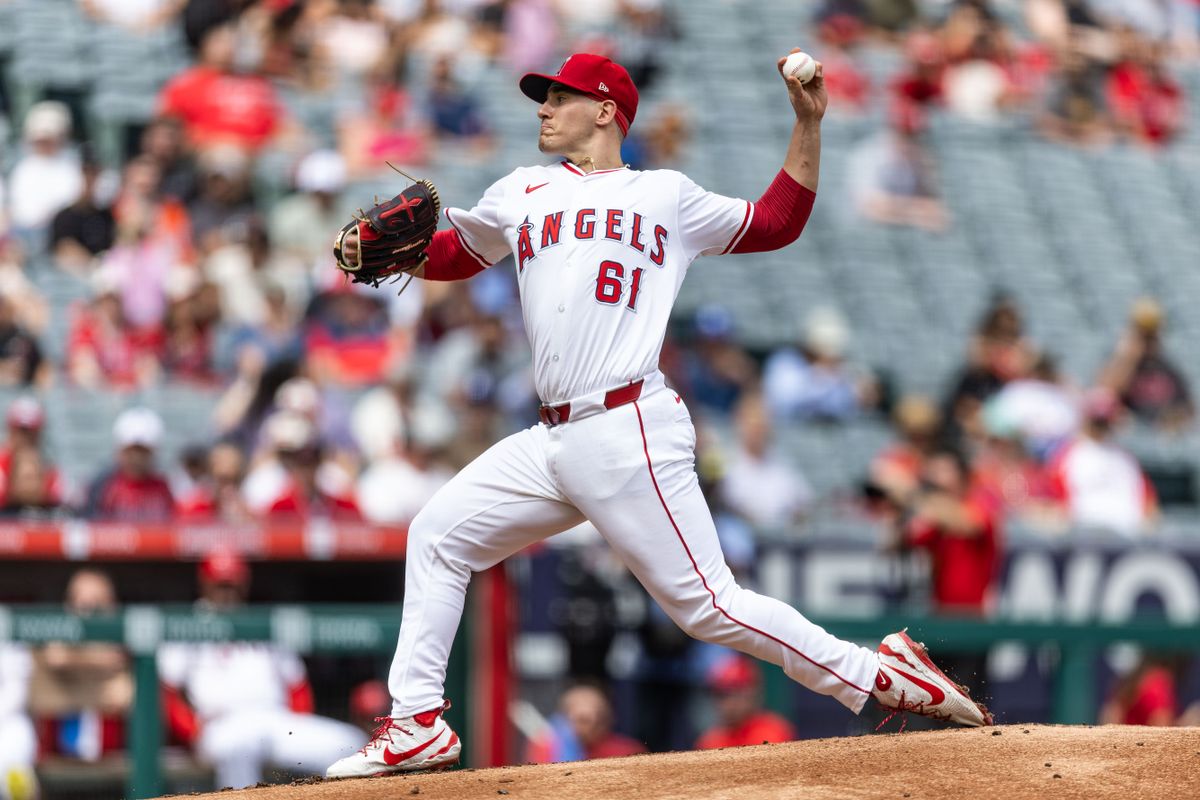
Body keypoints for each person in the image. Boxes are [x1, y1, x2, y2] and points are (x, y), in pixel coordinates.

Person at [326, 51, 991, 779]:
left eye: (561, 97)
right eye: (542, 98)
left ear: (607, 109)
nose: (544, 109)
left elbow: (775, 222)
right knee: (438, 536)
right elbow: (458, 251)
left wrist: (808, 124)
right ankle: (416, 723)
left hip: (626, 423)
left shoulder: (665, 195)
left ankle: (880, 676)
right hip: (551, 437)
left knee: (710, 608)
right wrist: (401, 257)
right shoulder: (520, 190)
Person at [158, 550, 364, 788]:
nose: (226, 591)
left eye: (232, 584)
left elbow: (297, 685)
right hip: (223, 726)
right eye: (220, 584)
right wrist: (192, 731)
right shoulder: (189, 625)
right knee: (239, 747)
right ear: (205, 583)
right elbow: (166, 691)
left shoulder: (260, 621)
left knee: (349, 742)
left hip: (275, 721)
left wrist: (296, 725)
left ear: (244, 583)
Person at [30, 569, 132, 760]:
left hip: (114, 768)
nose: (87, 610)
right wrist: (93, 663)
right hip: (56, 765)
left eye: (96, 603)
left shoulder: (129, 650)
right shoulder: (54, 646)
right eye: (80, 602)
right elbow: (55, 658)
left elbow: (122, 690)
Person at [83, 408, 175, 522]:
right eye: (131, 451)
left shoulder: (165, 487)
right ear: (120, 451)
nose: (136, 458)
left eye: (142, 451)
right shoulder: (103, 487)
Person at [524, 683, 646, 764]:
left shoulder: (628, 752)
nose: (591, 725)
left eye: (599, 718)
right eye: (582, 719)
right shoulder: (547, 747)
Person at [695, 654, 796, 750]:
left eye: (735, 693)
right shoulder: (710, 740)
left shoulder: (772, 731)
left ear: (753, 694)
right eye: (721, 695)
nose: (728, 703)